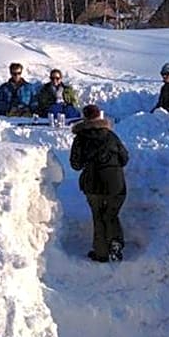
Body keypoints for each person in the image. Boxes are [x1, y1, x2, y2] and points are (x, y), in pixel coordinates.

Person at [70, 104, 130, 263]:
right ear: (99, 117)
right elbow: (125, 158)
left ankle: (101, 253)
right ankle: (115, 242)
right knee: (111, 214)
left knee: (98, 216)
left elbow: (75, 165)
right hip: (115, 182)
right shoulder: (111, 135)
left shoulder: (80, 138)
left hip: (92, 182)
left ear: (85, 118)